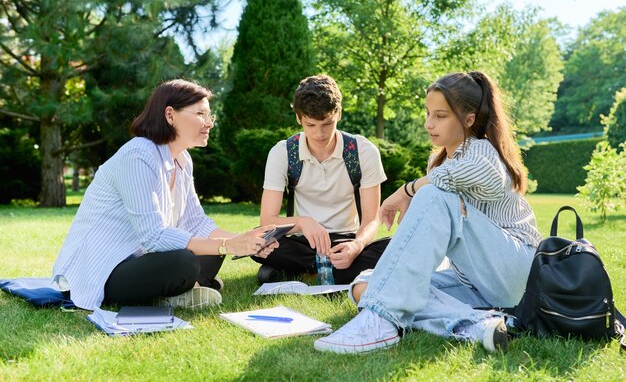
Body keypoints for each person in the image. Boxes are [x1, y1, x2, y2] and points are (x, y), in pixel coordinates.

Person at [313, 71, 542, 354]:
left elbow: (468, 175)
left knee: (433, 195)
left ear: (469, 120)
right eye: (428, 113)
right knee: (366, 285)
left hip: (514, 272)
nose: (428, 124)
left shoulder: (482, 152)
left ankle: (382, 323)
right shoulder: (438, 162)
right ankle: (477, 324)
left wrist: (407, 190)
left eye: (441, 116)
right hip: (472, 282)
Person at [52, 79, 278, 311]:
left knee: (212, 248)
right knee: (187, 260)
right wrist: (228, 244)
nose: (209, 123)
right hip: (104, 268)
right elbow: (154, 236)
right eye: (201, 114)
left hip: (143, 259)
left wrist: (247, 241)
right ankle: (183, 289)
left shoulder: (182, 158)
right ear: (170, 115)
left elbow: (196, 223)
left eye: (210, 116)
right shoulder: (138, 155)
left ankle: (187, 288)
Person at [252, 74, 390, 285]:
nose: (319, 134)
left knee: (398, 245)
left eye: (327, 123)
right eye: (310, 125)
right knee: (258, 240)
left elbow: (371, 219)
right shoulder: (282, 153)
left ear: (339, 113)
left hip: (346, 240)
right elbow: (267, 220)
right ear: (298, 118)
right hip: (303, 242)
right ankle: (341, 271)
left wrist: (356, 246)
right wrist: (302, 222)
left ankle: (304, 269)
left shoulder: (363, 152)